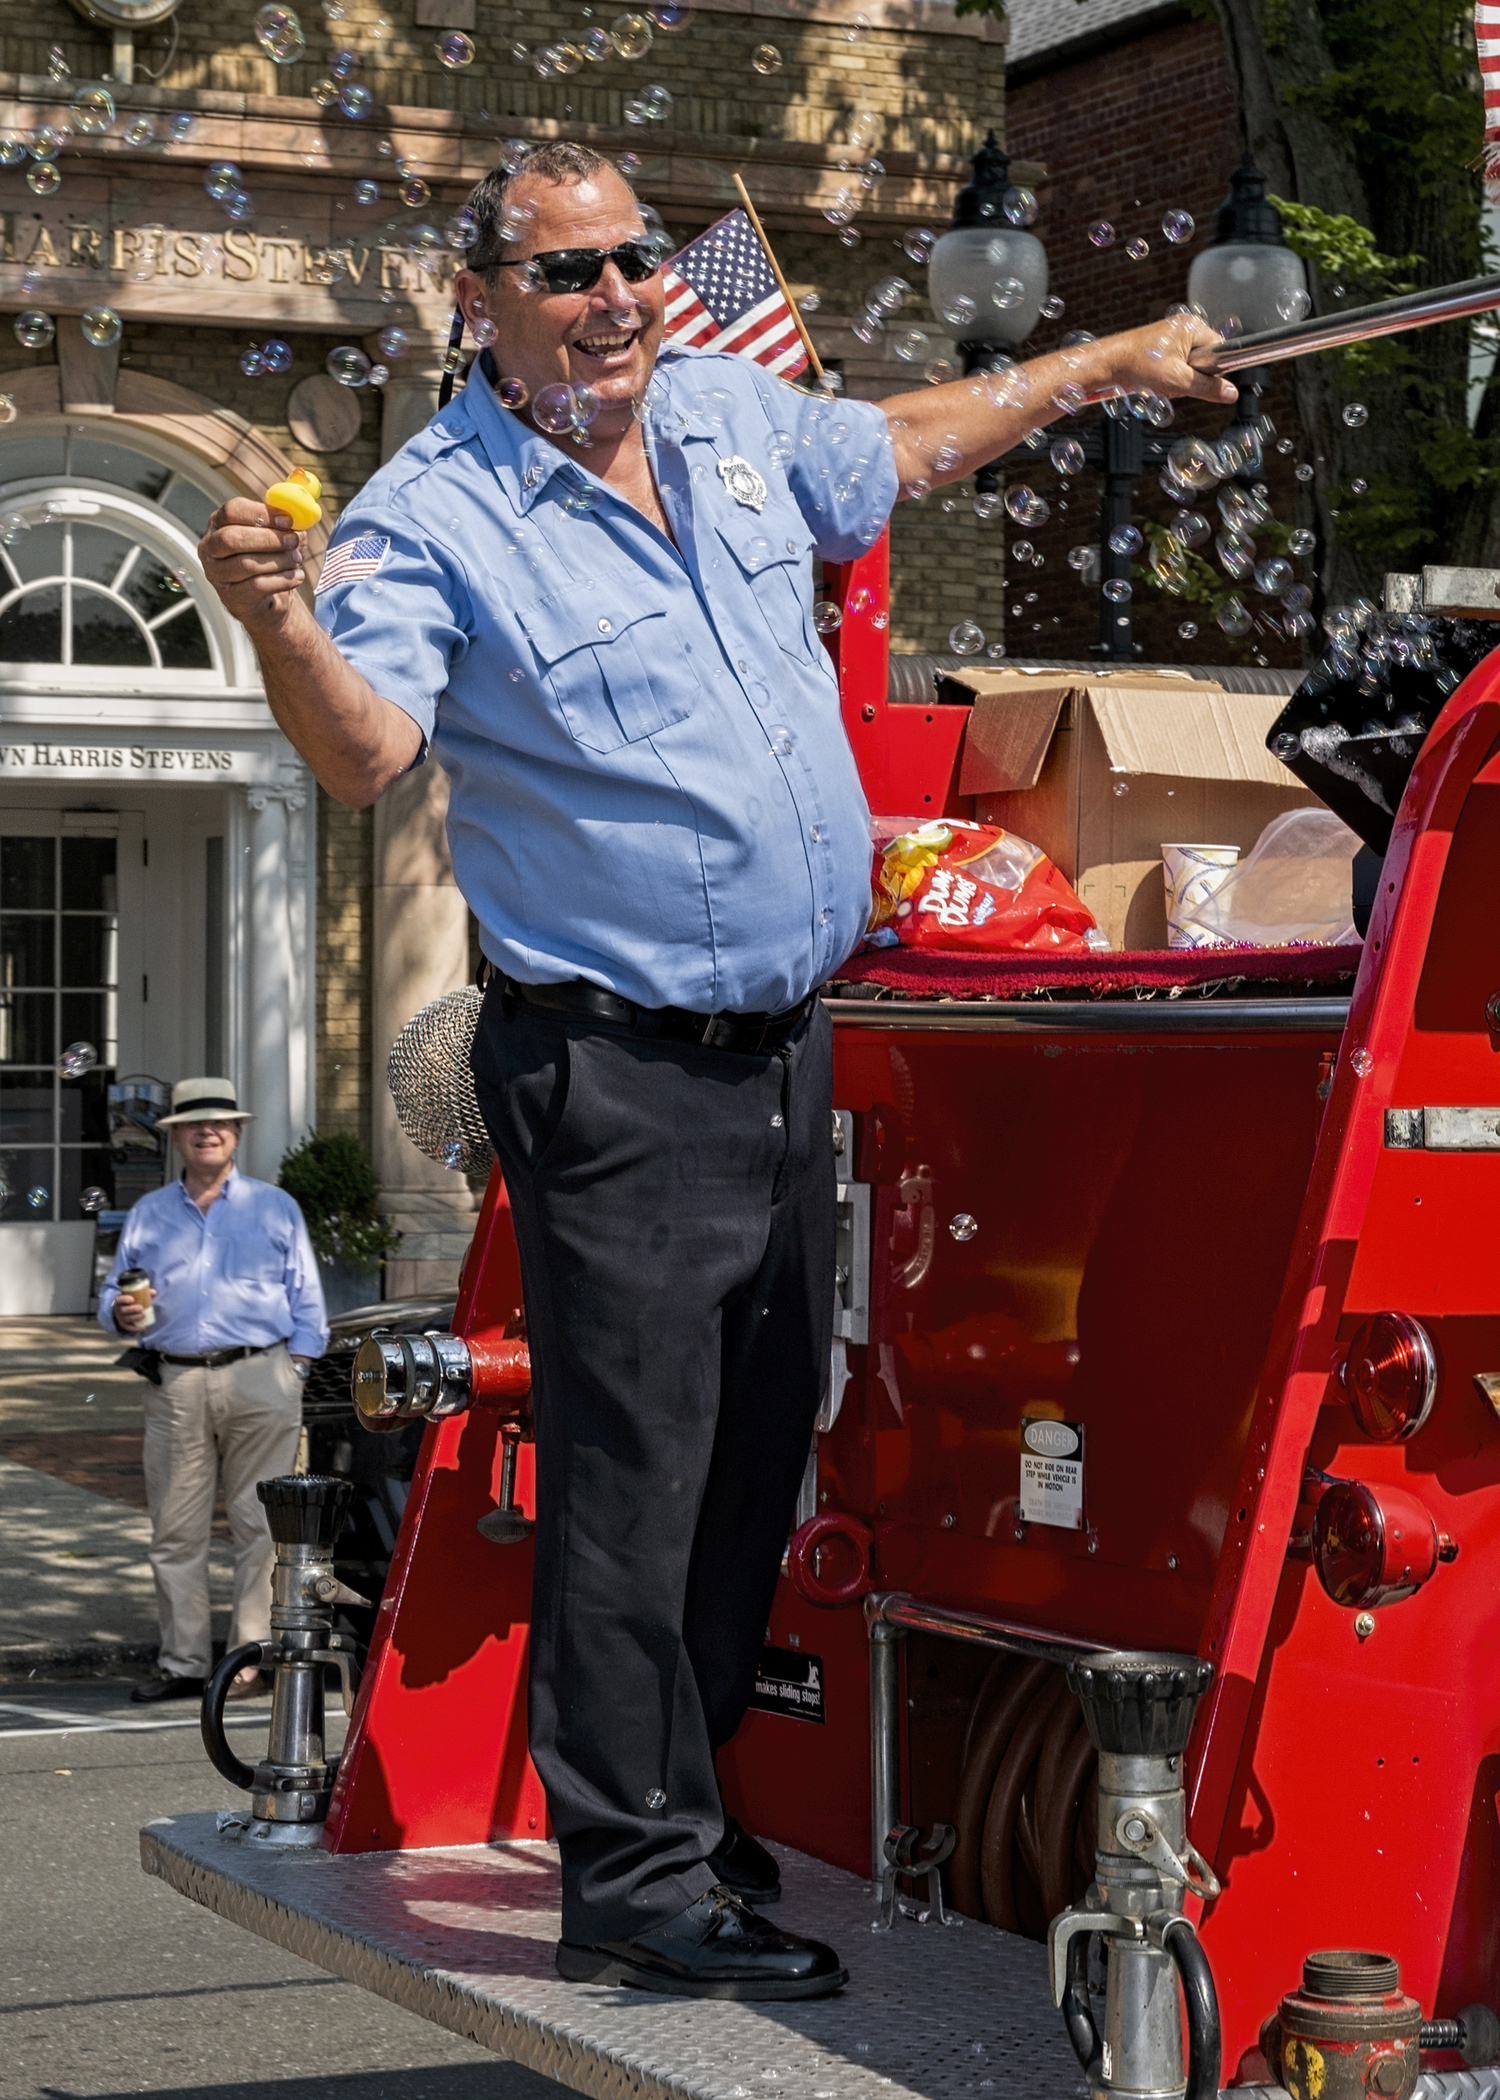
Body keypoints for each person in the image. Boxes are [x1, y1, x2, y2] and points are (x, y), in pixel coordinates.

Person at [196, 142, 1234, 1997]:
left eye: (629, 265)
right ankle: (639, 1883)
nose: (611, 303)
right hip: (614, 1065)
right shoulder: (429, 515)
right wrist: (278, 618)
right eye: (564, 273)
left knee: (756, 1465)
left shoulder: (731, 415)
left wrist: (1096, 363)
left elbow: (906, 443)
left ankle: (681, 1812)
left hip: (782, 1050)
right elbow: (363, 758)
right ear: (478, 297)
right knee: (637, 1477)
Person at [99, 1077, 328, 1706]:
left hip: (262, 1376)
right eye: (194, 1123)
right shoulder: (148, 1213)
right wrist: (119, 1314)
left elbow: (308, 1300)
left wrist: (295, 1370)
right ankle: (184, 1664)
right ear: (175, 1135)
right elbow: (114, 1291)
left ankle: (249, 1665)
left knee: (260, 1527)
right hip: (175, 1379)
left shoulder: (274, 1207)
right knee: (175, 1529)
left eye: (220, 1123)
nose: (208, 1131)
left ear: (237, 1133)